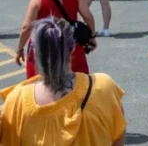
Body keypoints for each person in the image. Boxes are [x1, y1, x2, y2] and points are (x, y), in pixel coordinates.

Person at [1, 17, 127, 145]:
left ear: (35, 52)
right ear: (72, 47)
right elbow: (117, 140)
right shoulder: (105, 87)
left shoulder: (16, 102)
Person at [16, 0, 95, 77]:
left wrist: (20, 49)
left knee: (40, 85)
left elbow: (27, 27)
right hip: (69, 45)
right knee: (77, 84)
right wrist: (91, 37)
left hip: (43, 47)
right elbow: (88, 18)